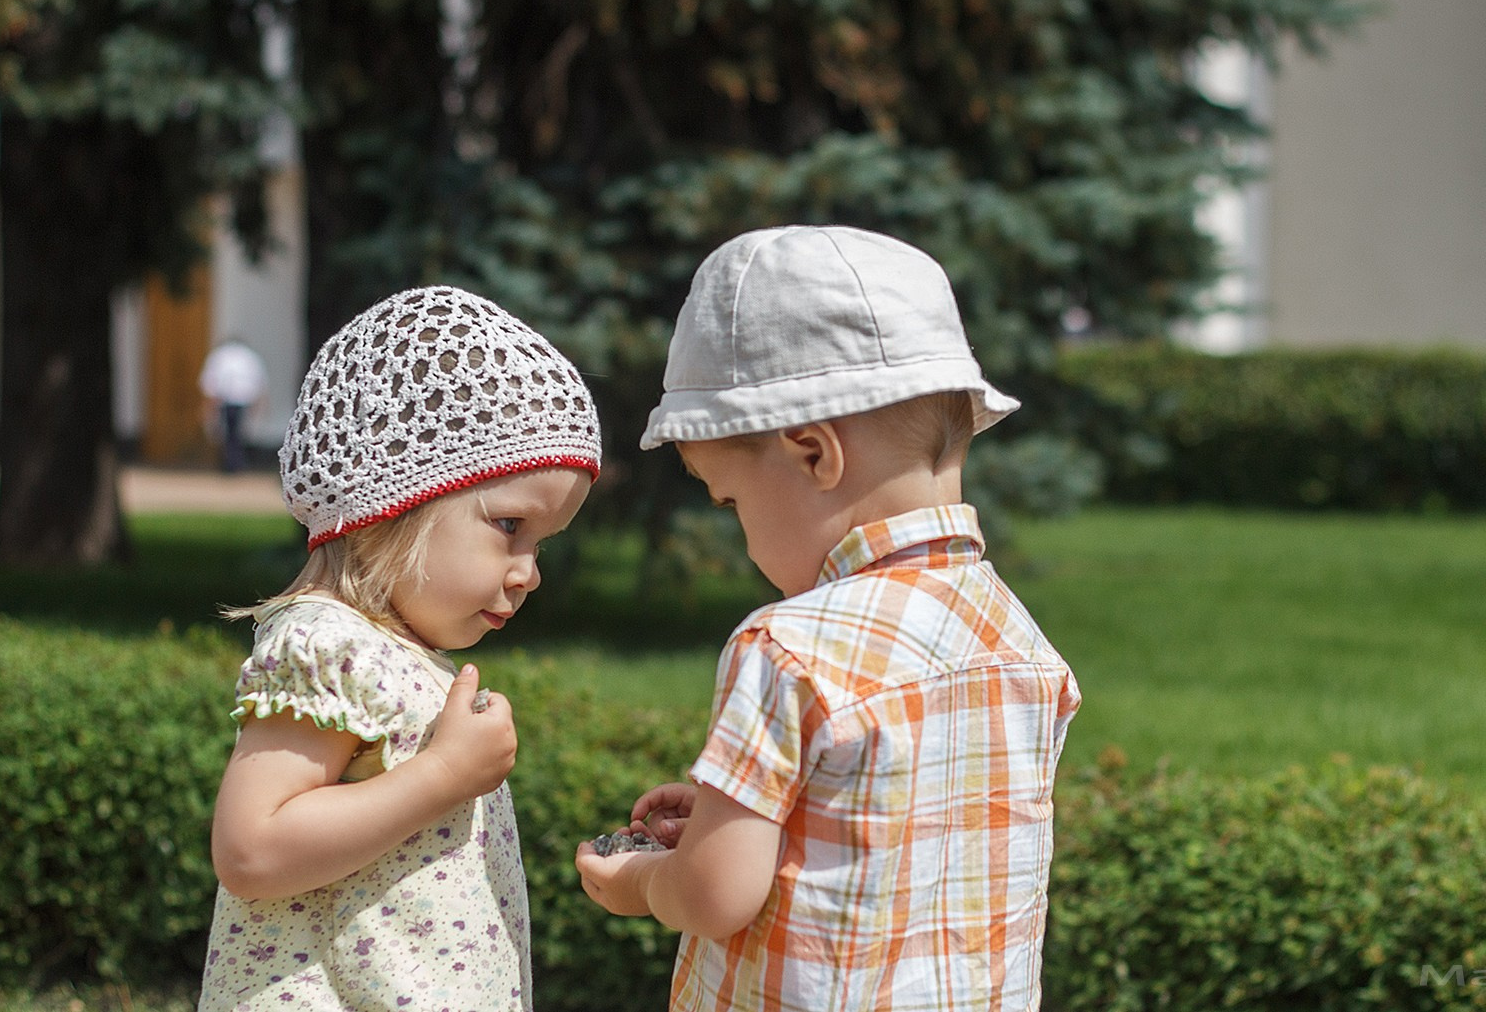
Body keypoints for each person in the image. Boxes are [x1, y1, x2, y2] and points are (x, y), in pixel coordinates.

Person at [575, 226, 1082, 1012]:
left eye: (730, 499)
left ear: (814, 453)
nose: (739, 533)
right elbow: (903, 825)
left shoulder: (789, 645)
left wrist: (641, 879)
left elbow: (714, 892)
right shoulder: (1020, 642)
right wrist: (728, 812)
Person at [198, 286, 601, 1012]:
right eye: (511, 525)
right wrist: (442, 773)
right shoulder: (326, 644)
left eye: (542, 543)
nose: (529, 570)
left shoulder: (396, 649)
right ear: (399, 499)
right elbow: (252, 849)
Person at [198, 337, 270, 473]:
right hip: (241, 399)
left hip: (226, 399)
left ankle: (233, 463)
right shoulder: (249, 356)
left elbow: (211, 380)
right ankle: (235, 463)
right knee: (236, 433)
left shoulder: (220, 355)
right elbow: (259, 381)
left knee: (230, 433)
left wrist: (209, 402)